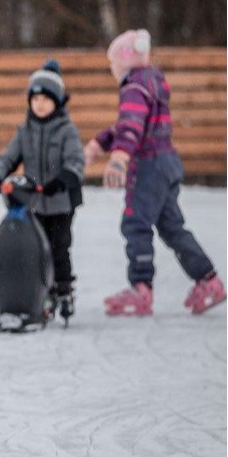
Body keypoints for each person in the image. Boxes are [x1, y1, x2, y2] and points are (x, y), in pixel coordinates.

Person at [85, 29, 226, 316]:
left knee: (135, 224)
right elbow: (134, 125)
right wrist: (100, 142)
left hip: (148, 167)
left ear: (125, 62)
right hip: (166, 162)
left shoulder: (133, 87)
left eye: (113, 64)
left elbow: (132, 126)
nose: (112, 70)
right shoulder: (152, 82)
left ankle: (141, 289)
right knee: (172, 227)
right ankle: (209, 280)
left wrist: (119, 157)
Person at [0, 59, 85, 321]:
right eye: (35, 98)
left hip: (61, 202)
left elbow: (76, 161)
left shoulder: (66, 130)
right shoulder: (24, 130)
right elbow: (8, 158)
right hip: (34, 202)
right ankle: (42, 289)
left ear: (58, 102)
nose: (40, 104)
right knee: (38, 249)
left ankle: (64, 290)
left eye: (46, 99)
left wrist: (63, 179)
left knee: (59, 248)